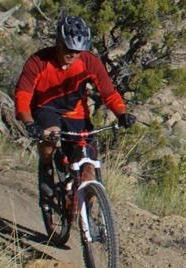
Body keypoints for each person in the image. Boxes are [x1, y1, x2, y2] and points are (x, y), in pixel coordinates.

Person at [14, 14, 135, 222]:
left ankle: (83, 210)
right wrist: (29, 123)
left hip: (76, 113)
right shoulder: (38, 61)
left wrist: (122, 114)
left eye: (77, 51)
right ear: (58, 43)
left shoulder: (89, 62)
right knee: (49, 140)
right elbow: (23, 95)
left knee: (89, 168)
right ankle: (46, 170)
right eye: (68, 50)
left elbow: (109, 92)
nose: (73, 55)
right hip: (46, 109)